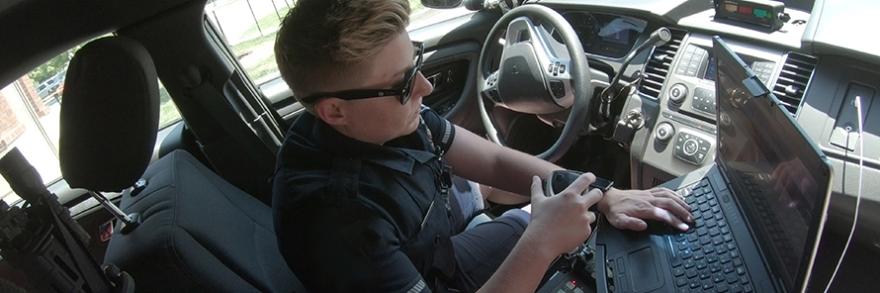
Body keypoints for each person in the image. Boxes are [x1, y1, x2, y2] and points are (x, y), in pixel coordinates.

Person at [271, 0, 692, 292]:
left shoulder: (381, 121)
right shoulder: (339, 224)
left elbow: (491, 160)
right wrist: (541, 245)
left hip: (438, 250)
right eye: (402, 84)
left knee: (569, 218)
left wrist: (606, 193)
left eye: (415, 63)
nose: (425, 86)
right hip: (436, 277)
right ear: (334, 111)